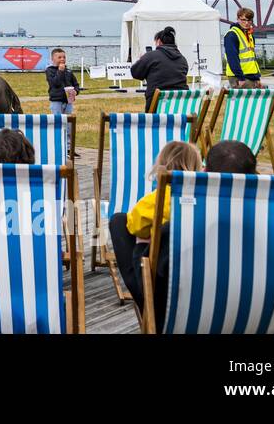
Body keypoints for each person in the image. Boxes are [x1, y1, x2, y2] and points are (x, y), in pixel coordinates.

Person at [107, 140, 202, 326]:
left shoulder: (158, 199)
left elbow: (133, 225)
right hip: (196, 282)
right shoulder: (206, 200)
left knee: (118, 221)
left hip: (160, 289)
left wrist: (144, 239)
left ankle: (149, 308)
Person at [130, 26, 190, 109]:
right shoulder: (182, 59)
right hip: (179, 109)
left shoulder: (151, 56)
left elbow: (135, 73)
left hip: (156, 108)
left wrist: (142, 59)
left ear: (158, 41)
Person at [223, 7, 261, 88]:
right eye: (243, 20)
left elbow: (252, 58)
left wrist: (257, 77)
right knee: (242, 100)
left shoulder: (249, 35)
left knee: (253, 100)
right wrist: (240, 77)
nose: (246, 23)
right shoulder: (232, 35)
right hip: (239, 77)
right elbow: (232, 58)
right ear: (238, 19)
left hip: (251, 76)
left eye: (249, 20)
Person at [44, 48, 81, 114]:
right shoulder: (49, 70)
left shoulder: (68, 71)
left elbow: (76, 84)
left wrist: (76, 91)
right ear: (52, 59)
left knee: (69, 120)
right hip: (56, 101)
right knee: (58, 121)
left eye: (64, 57)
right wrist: (60, 71)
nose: (62, 59)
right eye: (59, 57)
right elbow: (55, 83)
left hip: (68, 101)